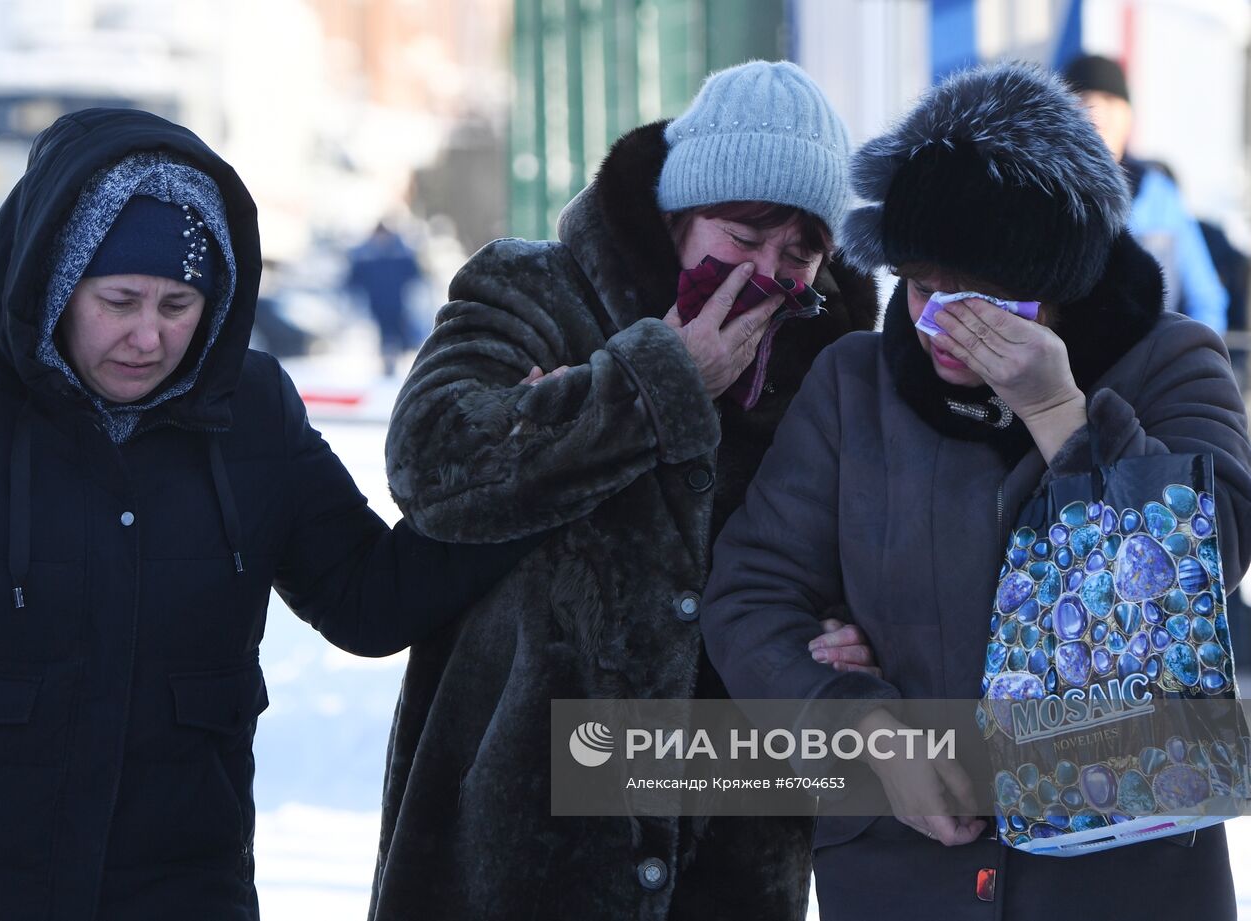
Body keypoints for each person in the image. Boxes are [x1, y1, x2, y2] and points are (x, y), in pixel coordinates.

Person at [0, 108, 532, 920]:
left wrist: (528, 465)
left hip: (179, 888)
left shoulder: (251, 412)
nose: (148, 335)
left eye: (179, 304)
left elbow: (369, 595)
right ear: (57, 283)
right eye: (120, 299)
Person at [701, 63, 1251, 919]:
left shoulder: (1171, 359)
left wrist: (1061, 416)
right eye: (923, 287)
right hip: (904, 868)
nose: (943, 325)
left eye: (986, 299)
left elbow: (1203, 567)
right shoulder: (857, 382)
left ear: (1061, 282)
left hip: (1126, 871)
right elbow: (751, 589)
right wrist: (866, 729)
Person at [369, 61, 881, 921]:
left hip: (729, 840)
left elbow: (871, 553)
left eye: (798, 251)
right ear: (679, 216)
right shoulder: (537, 290)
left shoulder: (826, 375)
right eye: (743, 234)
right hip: (516, 838)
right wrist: (654, 385)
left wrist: (853, 630)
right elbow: (433, 461)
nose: (765, 269)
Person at [1062, 53, 1229, 334]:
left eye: (1111, 101)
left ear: (1129, 116)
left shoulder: (1160, 194)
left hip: (1154, 365)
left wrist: (1194, 360)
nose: (1099, 114)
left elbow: (1206, 298)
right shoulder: (1044, 191)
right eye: (1086, 99)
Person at [345, 222, 424, 376]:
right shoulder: (366, 257)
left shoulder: (400, 255)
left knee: (397, 333)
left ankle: (394, 361)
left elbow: (415, 274)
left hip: (398, 304)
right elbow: (353, 280)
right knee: (385, 334)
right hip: (377, 305)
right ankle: (387, 362)